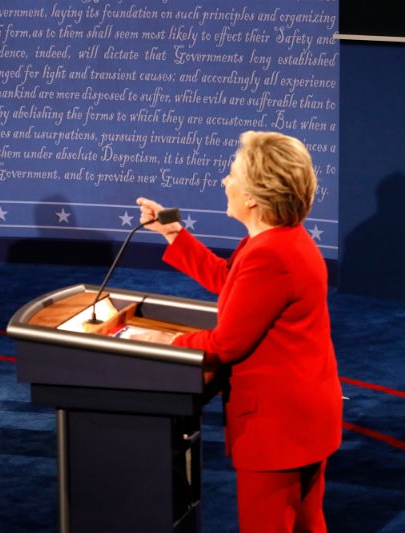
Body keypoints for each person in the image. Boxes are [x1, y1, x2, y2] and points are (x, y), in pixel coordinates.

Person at [135, 131, 343, 532]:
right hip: (305, 416)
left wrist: (170, 342)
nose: (224, 182)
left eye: (232, 174)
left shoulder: (270, 254)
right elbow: (232, 281)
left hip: (279, 425)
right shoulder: (282, 241)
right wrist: (173, 233)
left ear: (253, 197)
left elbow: (226, 344)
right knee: (305, 523)